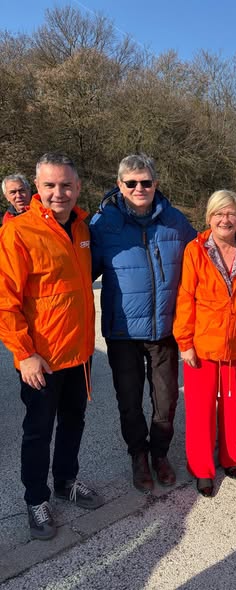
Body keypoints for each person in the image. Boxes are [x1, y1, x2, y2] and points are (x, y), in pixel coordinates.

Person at [0, 153, 102, 541]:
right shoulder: (19, 232)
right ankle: (35, 498)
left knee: (74, 421)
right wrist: (24, 353)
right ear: (37, 188)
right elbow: (5, 301)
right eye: (50, 185)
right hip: (40, 358)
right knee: (38, 430)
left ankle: (65, 482)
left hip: (79, 352)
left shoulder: (82, 228)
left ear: (77, 187)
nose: (59, 192)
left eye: (66, 185)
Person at [90, 154, 196, 492]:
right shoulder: (103, 224)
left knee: (166, 400)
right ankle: (138, 454)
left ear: (156, 184)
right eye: (132, 183)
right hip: (122, 332)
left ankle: (160, 453)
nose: (139, 188)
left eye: (146, 182)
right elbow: (80, 272)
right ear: (120, 185)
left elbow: (202, 259)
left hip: (164, 330)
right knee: (129, 401)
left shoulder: (175, 222)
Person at [173, 190, 236, 497]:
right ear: (209, 218)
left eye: (231, 213)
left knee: (234, 406)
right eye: (218, 214)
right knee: (201, 412)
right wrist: (185, 342)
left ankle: (230, 457)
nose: (225, 219)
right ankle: (202, 468)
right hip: (203, 346)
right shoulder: (196, 250)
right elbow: (185, 297)